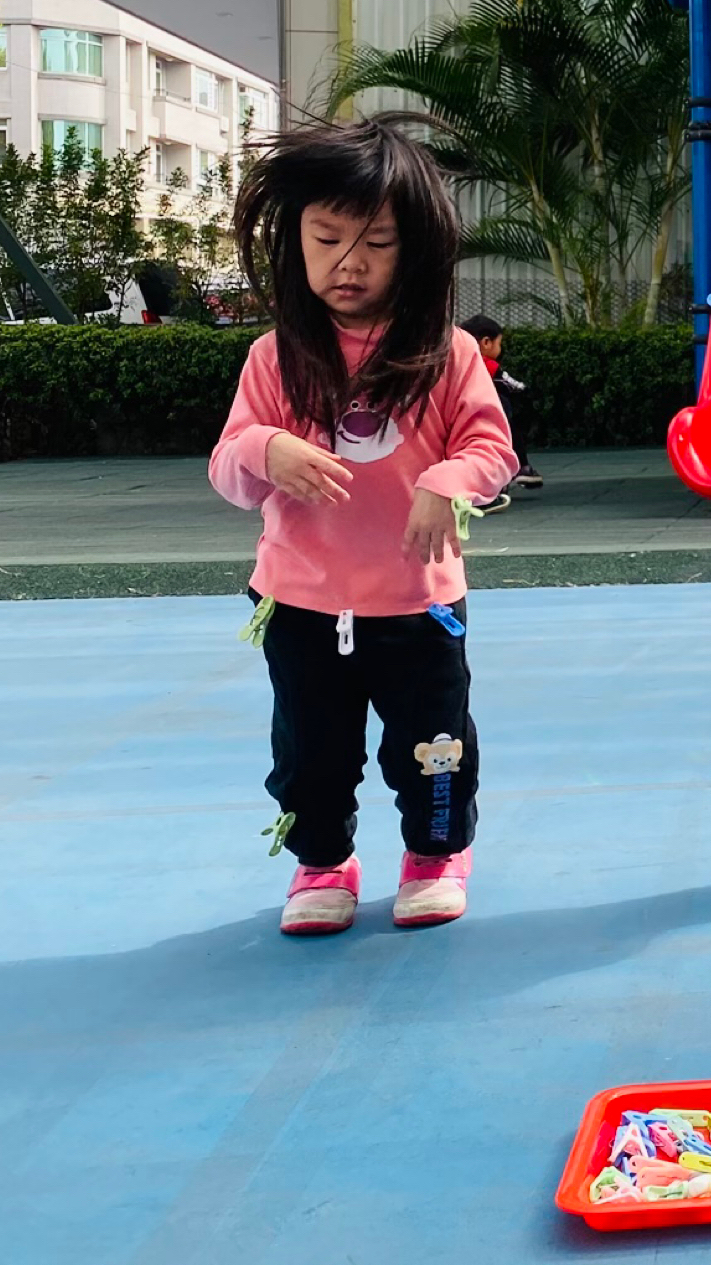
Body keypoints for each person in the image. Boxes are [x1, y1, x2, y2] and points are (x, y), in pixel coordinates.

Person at [208, 118, 518, 937]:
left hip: (419, 603)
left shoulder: (447, 354)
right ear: (295, 244)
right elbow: (227, 468)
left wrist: (446, 481)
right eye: (327, 239)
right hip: (301, 603)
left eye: (376, 243)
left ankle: (436, 855)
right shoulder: (274, 358)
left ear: (414, 250)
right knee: (310, 752)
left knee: (434, 746)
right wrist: (266, 448)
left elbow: (492, 449)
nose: (349, 262)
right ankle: (322, 861)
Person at [460, 313, 542, 491]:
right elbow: (513, 385)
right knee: (509, 421)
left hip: (459, 418)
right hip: (486, 417)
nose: (500, 348)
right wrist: (528, 391)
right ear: (486, 343)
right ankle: (522, 467)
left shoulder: (454, 362)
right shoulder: (487, 364)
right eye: (499, 343)